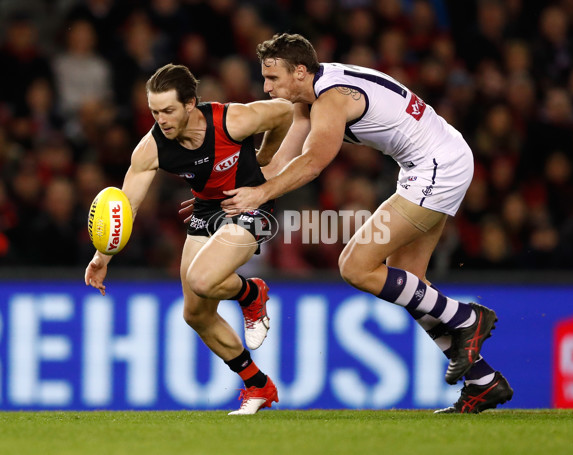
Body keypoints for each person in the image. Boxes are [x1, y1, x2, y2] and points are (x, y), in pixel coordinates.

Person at [220, 33, 513, 413]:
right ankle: (484, 382)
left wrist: (259, 196)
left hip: (436, 167)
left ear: (300, 72)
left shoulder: (331, 99)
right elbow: (276, 167)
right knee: (408, 282)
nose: (266, 86)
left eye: (273, 78)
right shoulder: (309, 98)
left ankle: (467, 317)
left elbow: (312, 163)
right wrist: (225, 192)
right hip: (435, 159)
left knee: (355, 266)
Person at [85, 63, 293, 415]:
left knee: (202, 279)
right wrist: (101, 257)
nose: (161, 120)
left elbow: (285, 112)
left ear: (190, 104)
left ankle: (251, 293)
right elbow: (127, 205)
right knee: (195, 313)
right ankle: (259, 386)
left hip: (255, 207)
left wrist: (266, 158)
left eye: (168, 111)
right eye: (154, 112)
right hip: (207, 209)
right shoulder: (150, 148)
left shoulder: (233, 121)